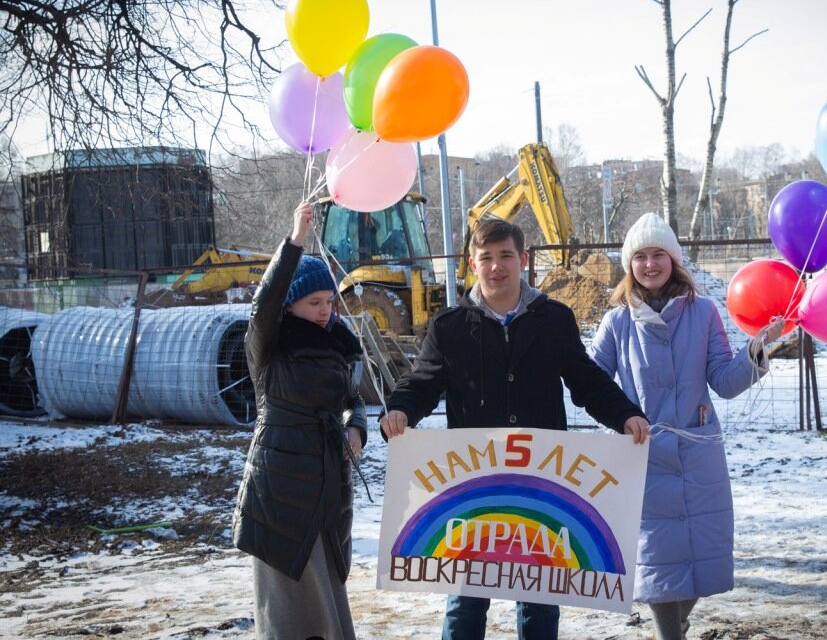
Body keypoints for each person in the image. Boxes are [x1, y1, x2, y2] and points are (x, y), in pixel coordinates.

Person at [380, 218, 650, 640]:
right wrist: (400, 409)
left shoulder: (554, 320)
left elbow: (587, 381)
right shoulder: (448, 327)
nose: (496, 267)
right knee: (465, 602)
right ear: (472, 264)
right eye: (485, 258)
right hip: (472, 486)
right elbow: (422, 383)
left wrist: (624, 414)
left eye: (505, 255)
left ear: (523, 259)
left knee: (539, 601)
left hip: (540, 483)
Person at [590, 213, 784, 640]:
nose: (650, 264)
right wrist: (621, 418)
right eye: (640, 256)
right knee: (656, 559)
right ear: (630, 266)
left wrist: (757, 350)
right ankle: (669, 634)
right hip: (641, 457)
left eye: (659, 253)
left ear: (674, 260)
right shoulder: (617, 322)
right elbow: (592, 384)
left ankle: (678, 620)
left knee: (700, 553)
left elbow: (724, 380)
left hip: (698, 456)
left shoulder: (705, 313)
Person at [232, 200, 367, 640]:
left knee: (329, 597)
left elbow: (353, 401)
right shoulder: (267, 347)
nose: (326, 310)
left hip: (328, 487)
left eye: (329, 301)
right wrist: (294, 241)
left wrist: (356, 427)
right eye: (314, 302)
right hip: (280, 490)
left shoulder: (338, 348)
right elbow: (262, 306)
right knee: (287, 606)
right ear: (290, 304)